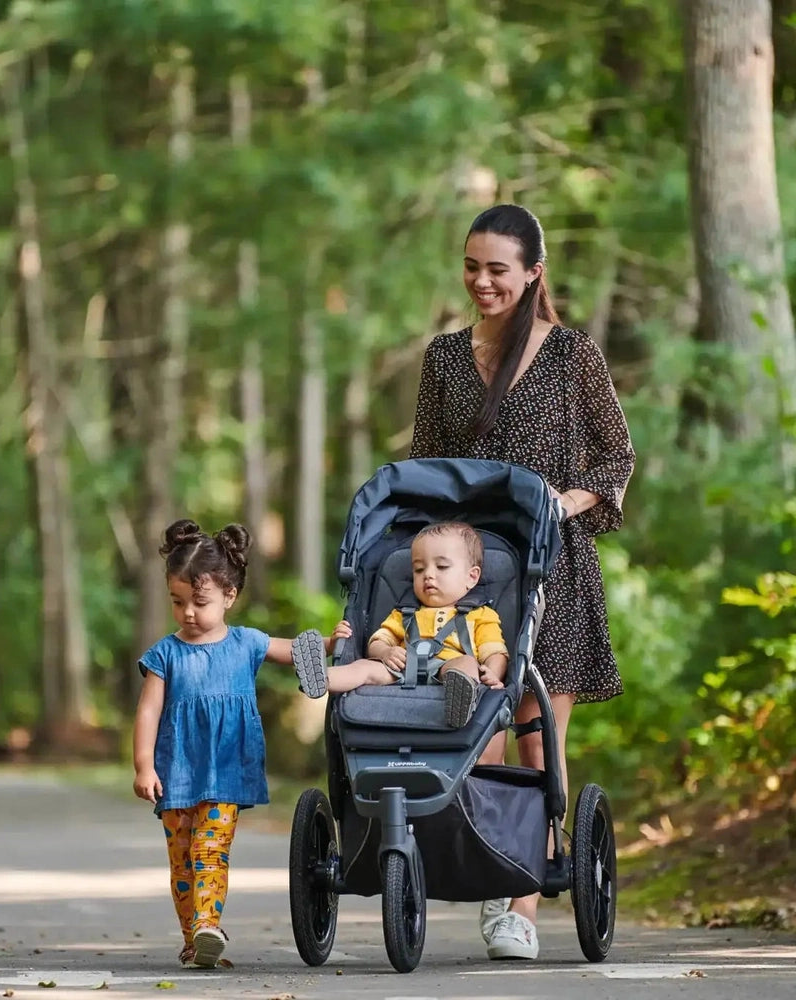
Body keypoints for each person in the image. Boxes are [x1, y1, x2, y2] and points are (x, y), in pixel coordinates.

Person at [409, 203, 635, 961]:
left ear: (534, 272)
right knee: (478, 732)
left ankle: (522, 908)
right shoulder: (445, 358)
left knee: (538, 740)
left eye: (498, 269)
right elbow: (425, 468)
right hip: (466, 576)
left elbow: (616, 456)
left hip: (551, 569)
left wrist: (568, 500)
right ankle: (493, 864)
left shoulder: (572, 355)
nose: (482, 281)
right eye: (471, 267)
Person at [132, 518, 346, 970]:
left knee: (210, 850)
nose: (188, 613)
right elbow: (148, 711)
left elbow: (292, 650)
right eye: (177, 602)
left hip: (226, 768)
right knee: (182, 861)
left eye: (200, 602)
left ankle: (208, 925)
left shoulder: (246, 642)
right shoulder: (165, 654)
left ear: (229, 596)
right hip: (176, 772)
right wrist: (144, 766)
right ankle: (193, 940)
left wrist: (330, 642)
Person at [293, 521, 508, 729]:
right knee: (364, 668)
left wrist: (492, 673)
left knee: (467, 664)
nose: (428, 575)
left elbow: (495, 652)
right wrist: (386, 652)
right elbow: (378, 641)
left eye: (442, 566)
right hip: (403, 668)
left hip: (448, 669)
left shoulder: (481, 616)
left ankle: (460, 698)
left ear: (472, 577)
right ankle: (321, 678)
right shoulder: (404, 612)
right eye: (419, 569)